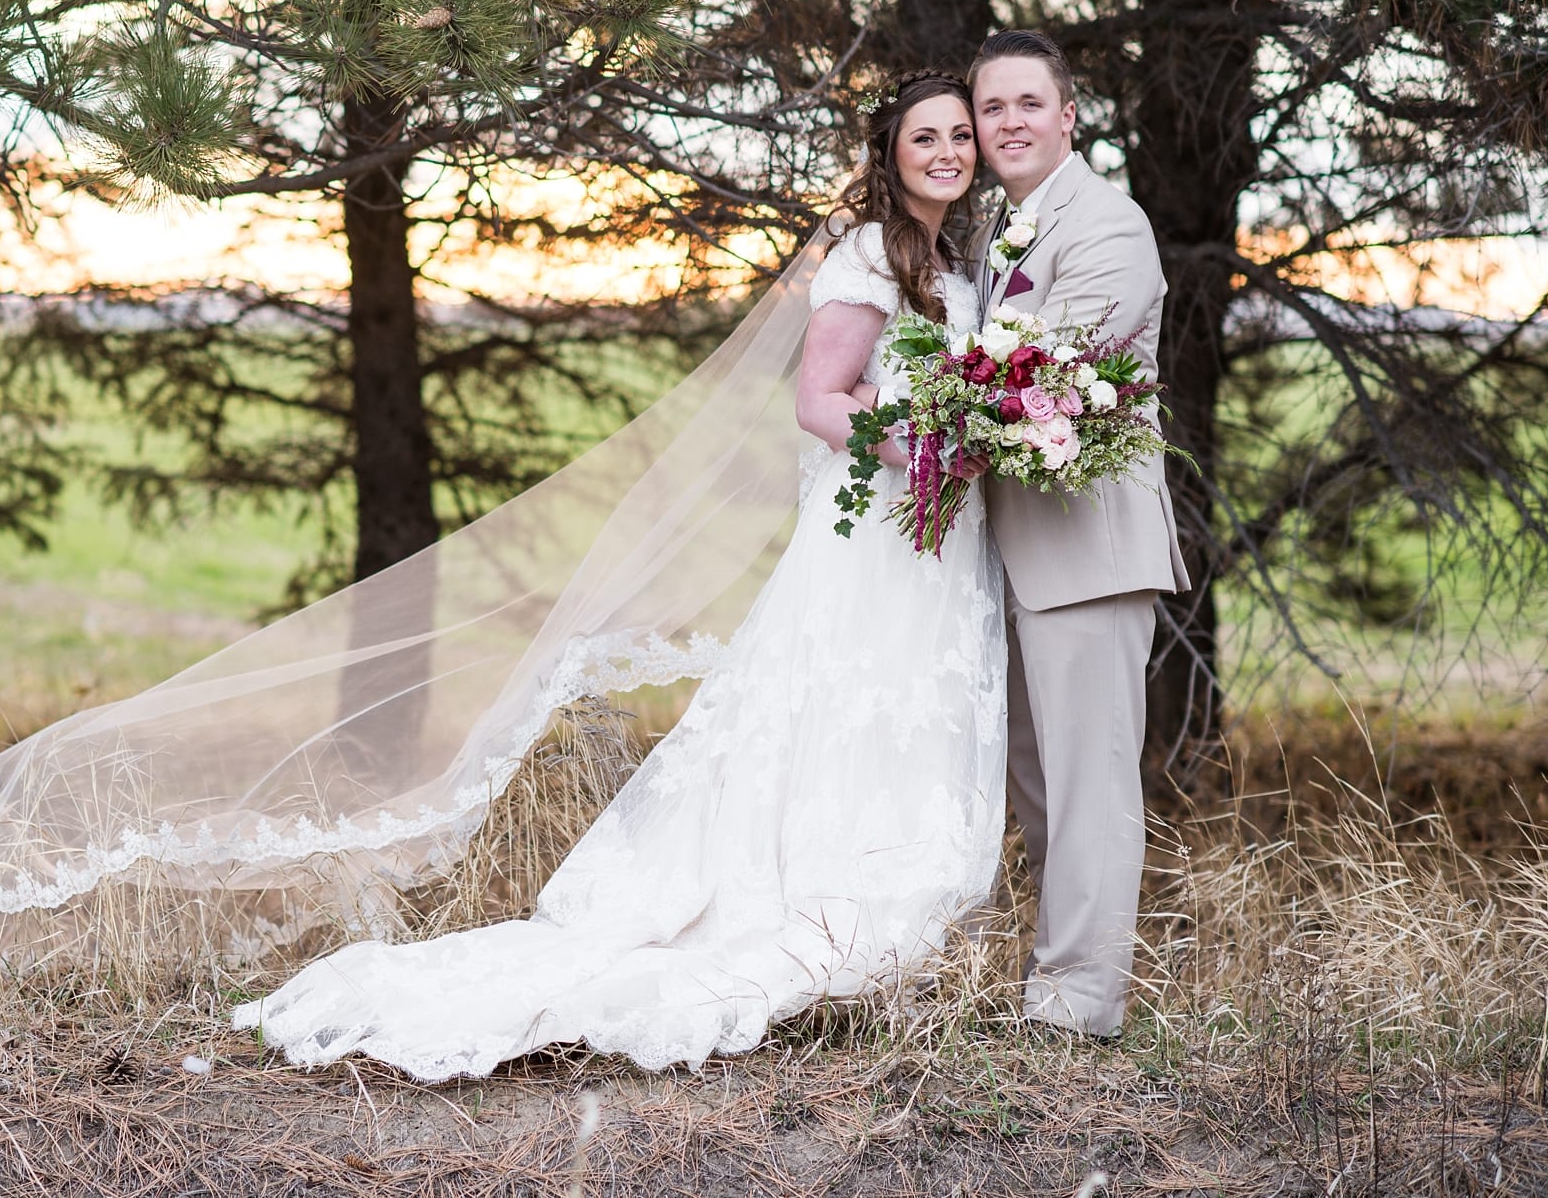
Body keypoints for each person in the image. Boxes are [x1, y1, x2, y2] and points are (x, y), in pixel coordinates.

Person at [229, 72, 1010, 1080]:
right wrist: (925, 449)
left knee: (910, 701)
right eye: (925, 139)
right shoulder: (870, 252)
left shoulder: (958, 258)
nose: (948, 151)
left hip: (943, 535)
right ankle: (821, 900)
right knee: (848, 698)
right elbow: (820, 400)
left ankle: (905, 909)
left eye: (960, 136)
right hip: (883, 525)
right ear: (889, 153)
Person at [966, 30, 1191, 1037]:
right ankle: (1056, 976)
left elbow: (1041, 369)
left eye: (1027, 103)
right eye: (991, 108)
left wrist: (913, 397)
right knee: (1039, 784)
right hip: (1016, 548)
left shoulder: (1108, 226)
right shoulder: (996, 229)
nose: (1008, 123)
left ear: (1068, 114)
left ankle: (1077, 1002)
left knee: (1090, 782)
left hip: (1089, 549)